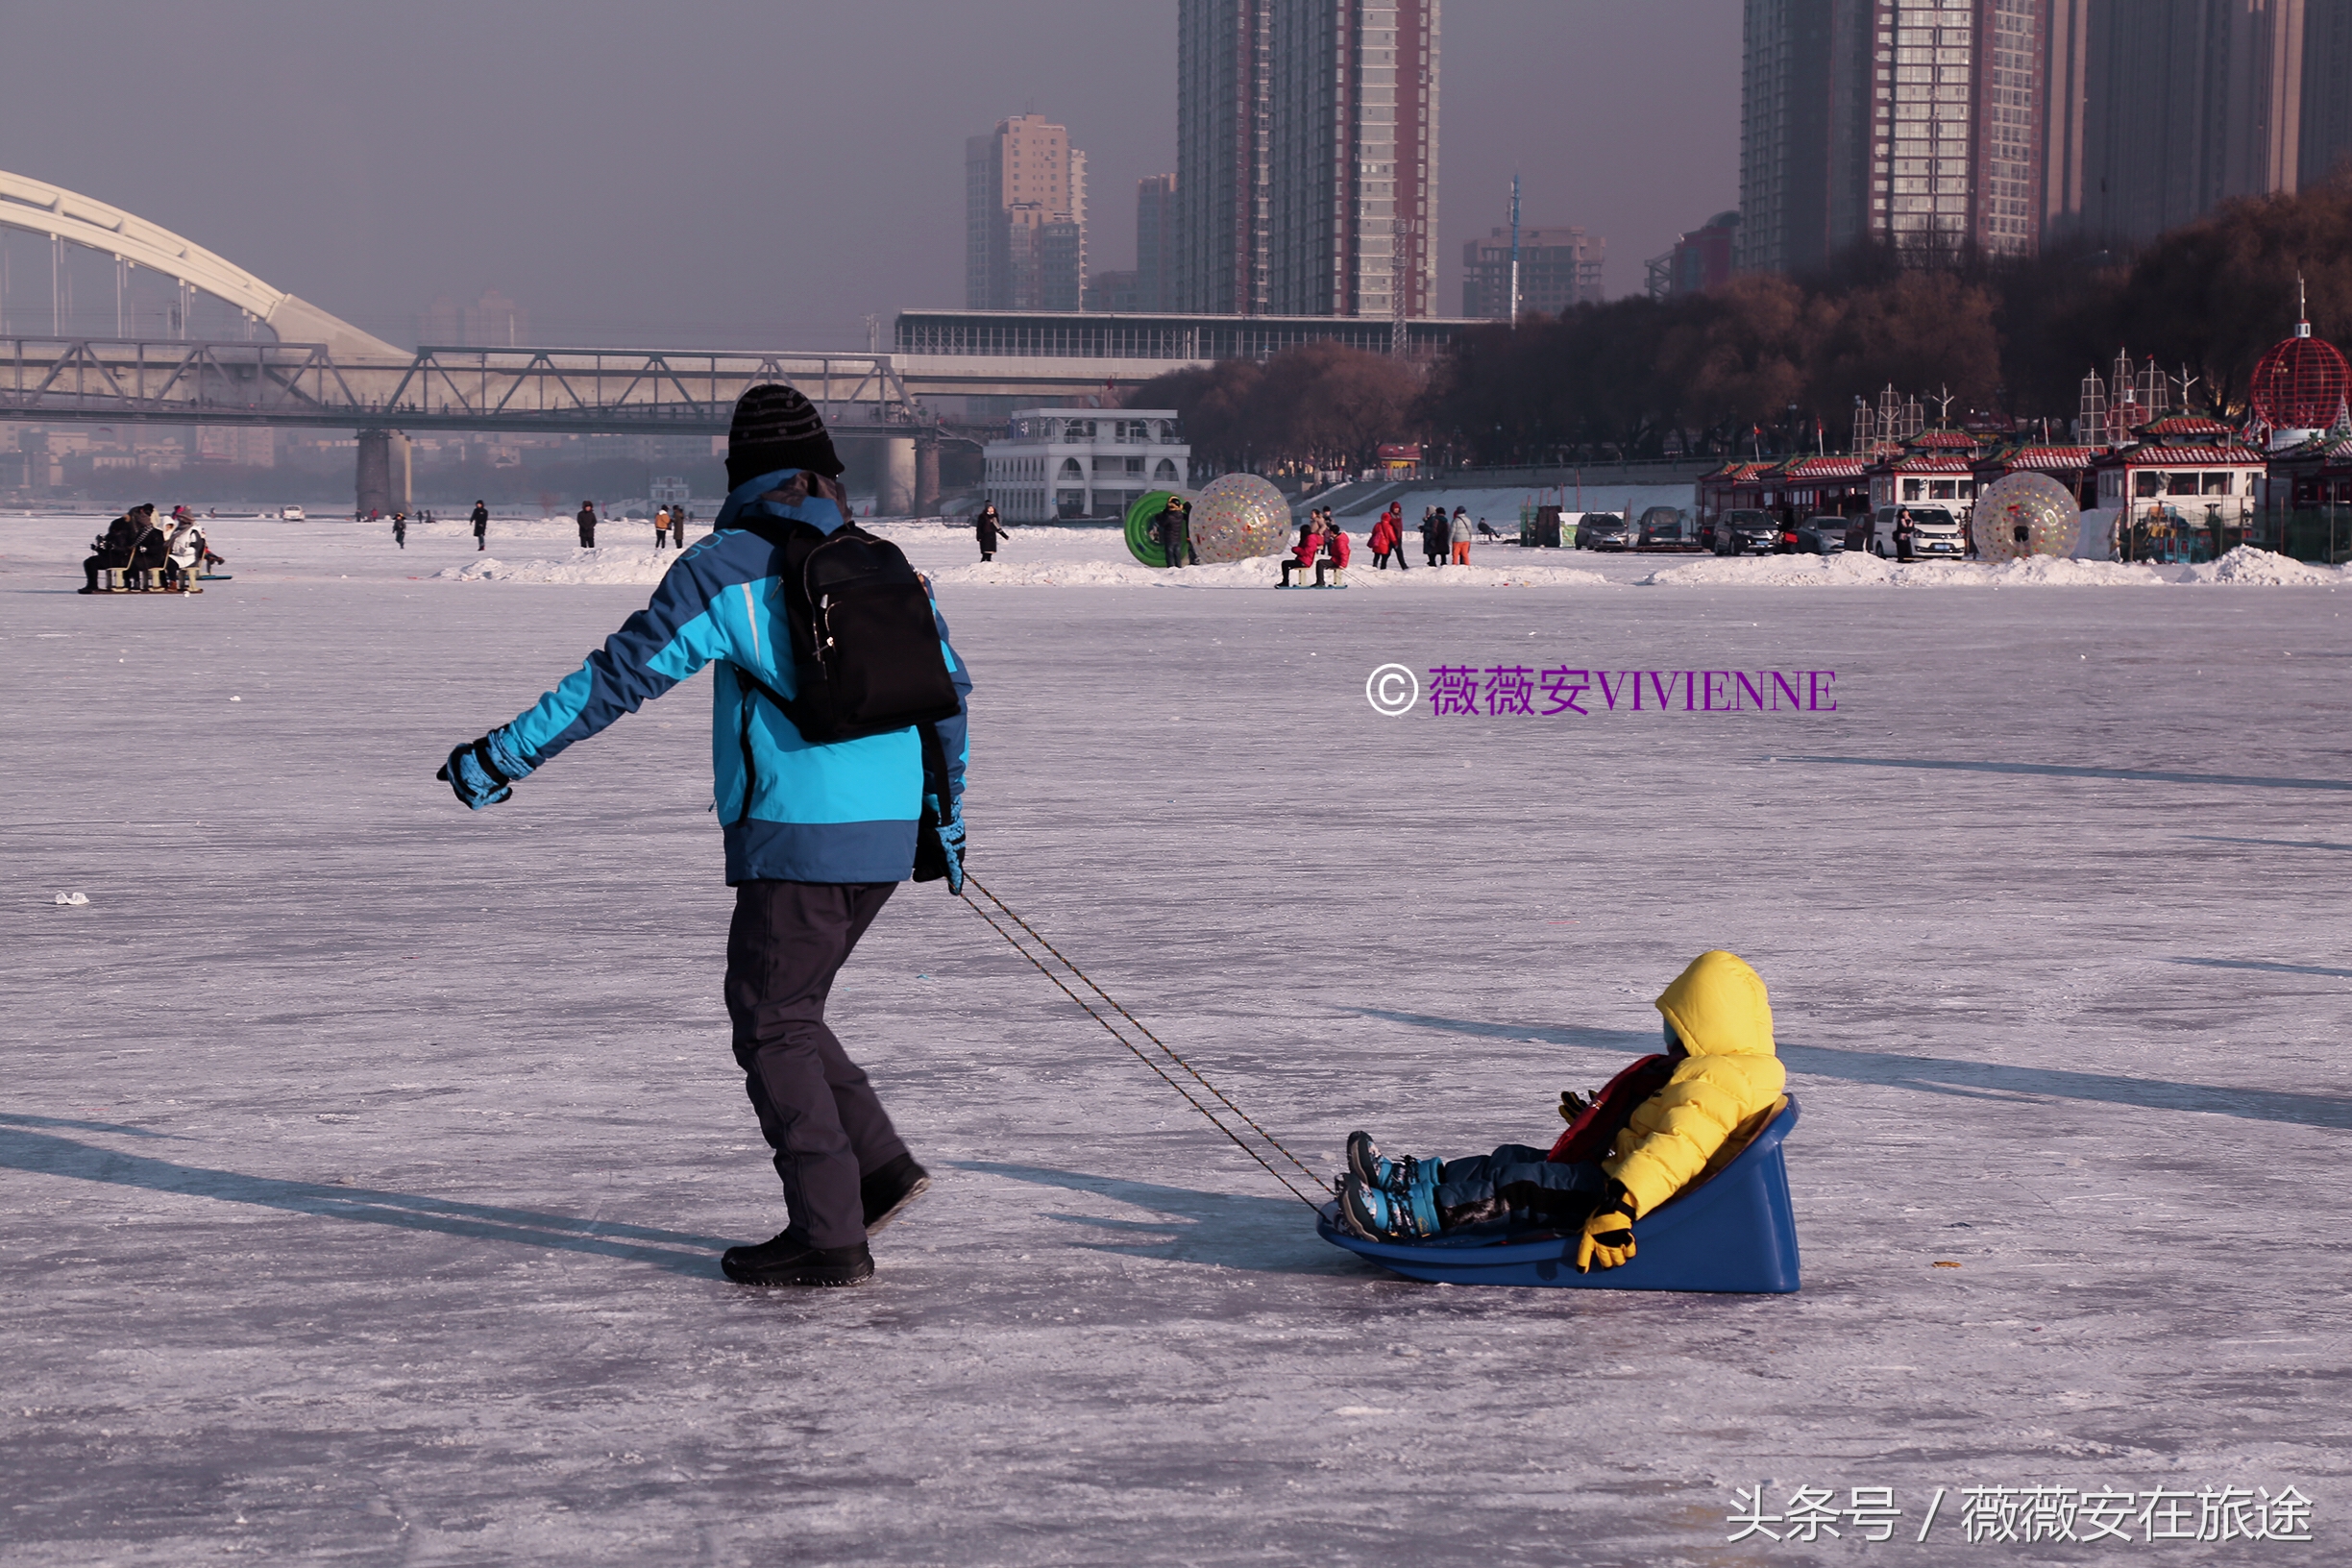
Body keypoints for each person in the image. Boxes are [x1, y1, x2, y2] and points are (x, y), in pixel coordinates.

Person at [432, 384, 970, 1289]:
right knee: (791, 1009)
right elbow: (949, 693)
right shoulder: (881, 556)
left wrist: (500, 758)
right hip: (885, 834)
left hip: (798, 834)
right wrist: (944, 817)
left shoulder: (725, 565)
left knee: (771, 1022)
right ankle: (874, 1168)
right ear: (825, 469)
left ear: (740, 472)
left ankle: (830, 1232)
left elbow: (617, 678)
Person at [1336, 951, 1786, 1273]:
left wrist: (1620, 1208)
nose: (1669, 1035)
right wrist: (1602, 1125)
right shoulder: (1733, 1073)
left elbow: (1679, 1148)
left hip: (1626, 1197)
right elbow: (1668, 1127)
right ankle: (1411, 1180)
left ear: (1706, 1022)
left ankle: (1410, 1216)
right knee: (1514, 1159)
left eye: (1677, 1024)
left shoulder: (1719, 1077)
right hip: (1620, 1175)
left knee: (1522, 1187)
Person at [81, 505, 150, 593]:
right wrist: (98, 548)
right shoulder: (111, 536)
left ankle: (92, 585)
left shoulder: (124, 537)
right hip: (111, 558)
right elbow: (107, 551)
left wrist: (114, 547)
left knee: (92, 563)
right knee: (89, 562)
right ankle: (91, 584)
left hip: (121, 560)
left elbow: (125, 550)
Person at [1281, 515, 1324, 587]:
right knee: (1285, 563)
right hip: (1303, 560)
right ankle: (1285, 581)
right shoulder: (1309, 539)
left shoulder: (1310, 540)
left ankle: (1285, 582)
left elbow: (1306, 552)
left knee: (1285, 563)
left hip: (1305, 561)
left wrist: (1296, 549)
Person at [167, 513, 207, 592]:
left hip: (189, 558)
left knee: (170, 563)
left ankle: (173, 583)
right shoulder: (178, 530)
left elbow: (196, 548)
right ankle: (164, 583)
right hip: (177, 555)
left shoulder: (193, 532)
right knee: (163, 560)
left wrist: (186, 551)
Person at [1158, 494, 1192, 568]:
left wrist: (1163, 513)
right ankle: (1178, 566)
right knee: (1177, 554)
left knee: (1170, 555)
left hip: (1169, 538)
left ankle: (1171, 567)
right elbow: (1188, 517)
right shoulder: (1180, 515)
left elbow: (1162, 523)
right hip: (1177, 539)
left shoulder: (1169, 516)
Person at [1316, 515, 1352, 587]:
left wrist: (1342, 564)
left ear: (1332, 532)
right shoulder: (1337, 539)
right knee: (1321, 562)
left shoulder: (1340, 542)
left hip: (1338, 562)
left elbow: (1344, 553)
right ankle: (1320, 581)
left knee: (1320, 563)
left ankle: (1320, 582)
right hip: (1336, 560)